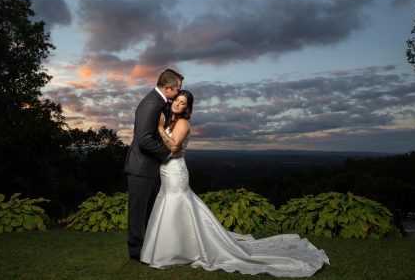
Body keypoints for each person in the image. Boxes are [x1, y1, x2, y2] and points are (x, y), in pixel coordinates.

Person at [140, 90, 330, 277]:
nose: (178, 104)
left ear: (187, 108)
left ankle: (175, 252)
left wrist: (159, 130)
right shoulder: (169, 119)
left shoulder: (182, 122)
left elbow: (173, 146)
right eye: (177, 100)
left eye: (183, 103)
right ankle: (178, 248)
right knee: (172, 205)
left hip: (175, 171)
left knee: (176, 205)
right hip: (165, 170)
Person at [124, 68, 184, 261]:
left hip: (150, 166)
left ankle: (151, 248)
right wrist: (168, 152)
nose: (178, 93)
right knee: (138, 213)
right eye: (177, 89)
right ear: (167, 89)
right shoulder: (151, 103)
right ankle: (136, 252)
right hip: (140, 168)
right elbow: (144, 140)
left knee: (151, 210)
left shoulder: (160, 102)